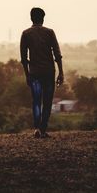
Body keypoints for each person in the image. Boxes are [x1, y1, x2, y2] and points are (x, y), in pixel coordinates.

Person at [20, 7, 64, 138]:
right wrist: (61, 72)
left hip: (34, 74)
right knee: (47, 101)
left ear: (31, 18)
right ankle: (43, 129)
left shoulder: (26, 34)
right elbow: (57, 54)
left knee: (36, 101)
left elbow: (24, 58)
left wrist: (27, 75)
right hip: (49, 72)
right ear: (43, 18)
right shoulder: (50, 32)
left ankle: (37, 128)